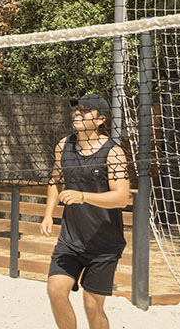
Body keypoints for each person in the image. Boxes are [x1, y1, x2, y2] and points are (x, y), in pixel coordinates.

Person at [40, 93, 132, 329]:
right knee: (55, 290)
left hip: (104, 245)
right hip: (71, 240)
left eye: (85, 110)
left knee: (92, 306)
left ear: (100, 120)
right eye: (77, 109)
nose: (78, 113)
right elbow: (55, 180)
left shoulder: (113, 153)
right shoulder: (63, 145)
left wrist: (83, 197)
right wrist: (48, 214)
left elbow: (122, 197)